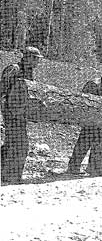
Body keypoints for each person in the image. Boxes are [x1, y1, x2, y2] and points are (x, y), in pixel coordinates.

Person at [65, 65, 102, 176]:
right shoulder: (94, 84)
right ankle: (73, 168)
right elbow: (83, 100)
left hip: (98, 120)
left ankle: (92, 167)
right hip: (90, 119)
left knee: (99, 143)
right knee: (84, 143)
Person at [1, 46, 43, 184]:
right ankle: (10, 176)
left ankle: (7, 173)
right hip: (11, 112)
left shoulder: (29, 72)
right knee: (20, 144)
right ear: (28, 57)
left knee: (11, 144)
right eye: (36, 59)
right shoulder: (14, 69)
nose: (37, 62)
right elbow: (2, 90)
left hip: (21, 113)